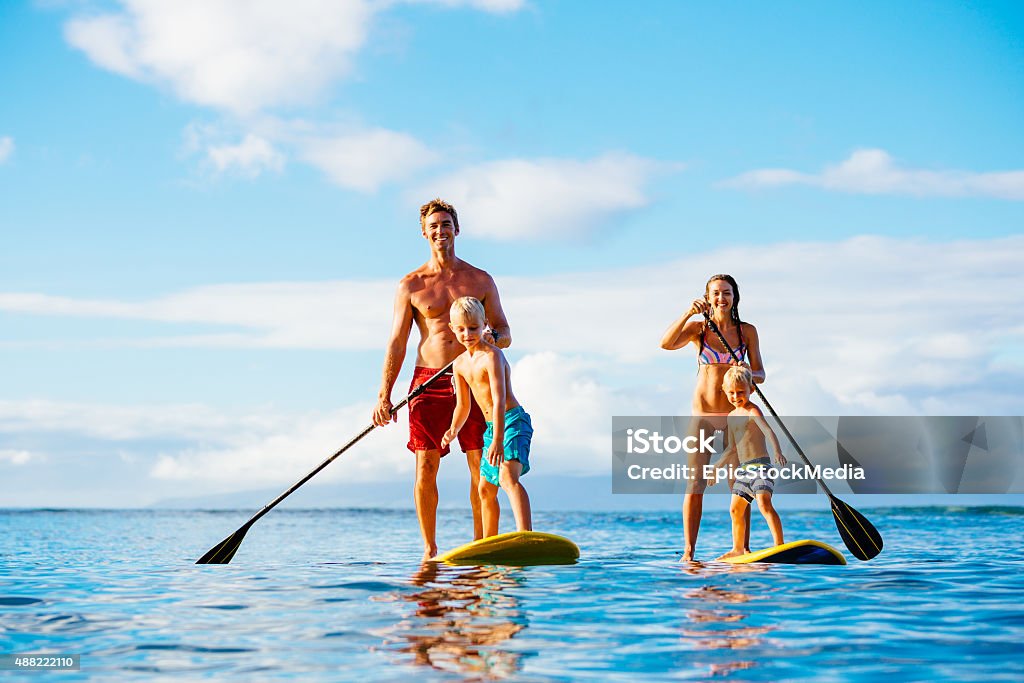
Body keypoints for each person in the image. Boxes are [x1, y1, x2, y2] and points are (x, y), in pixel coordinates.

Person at [373, 199, 511, 561]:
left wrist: (489, 340)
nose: (440, 231)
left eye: (446, 224)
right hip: (427, 382)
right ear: (424, 232)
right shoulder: (411, 285)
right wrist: (384, 395)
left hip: (473, 377)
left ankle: (483, 544)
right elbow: (397, 342)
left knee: (480, 463)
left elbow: (505, 331)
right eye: (433, 226)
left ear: (457, 229)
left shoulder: (480, 280)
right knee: (426, 465)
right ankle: (430, 549)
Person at [659, 274, 765, 561]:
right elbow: (666, 344)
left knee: (740, 484)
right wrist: (687, 314)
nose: (721, 298)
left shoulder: (747, 332)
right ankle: (689, 553)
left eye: (726, 293)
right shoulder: (699, 329)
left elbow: (761, 375)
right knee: (695, 483)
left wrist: (745, 372)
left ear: (735, 297)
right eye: (716, 293)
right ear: (708, 298)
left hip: (736, 418)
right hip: (703, 417)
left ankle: (741, 549)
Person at [442, 297, 533, 538]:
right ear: (452, 328)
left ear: (484, 325)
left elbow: (499, 399)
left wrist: (498, 439)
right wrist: (453, 430)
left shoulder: (492, 356)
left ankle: (525, 535)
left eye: (473, 327)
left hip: (511, 421)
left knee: (506, 477)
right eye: (461, 329)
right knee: (484, 488)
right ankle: (489, 542)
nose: (467, 334)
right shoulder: (459, 364)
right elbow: (463, 405)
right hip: (492, 428)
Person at [711, 366, 786, 559]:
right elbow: (732, 448)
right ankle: (738, 549)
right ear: (725, 391)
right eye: (732, 393)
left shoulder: (753, 410)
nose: (736, 397)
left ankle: (779, 545)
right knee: (735, 509)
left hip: (761, 467)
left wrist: (777, 451)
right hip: (744, 471)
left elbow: (768, 431)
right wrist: (716, 467)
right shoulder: (731, 417)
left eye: (741, 392)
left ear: (751, 390)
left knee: (763, 503)